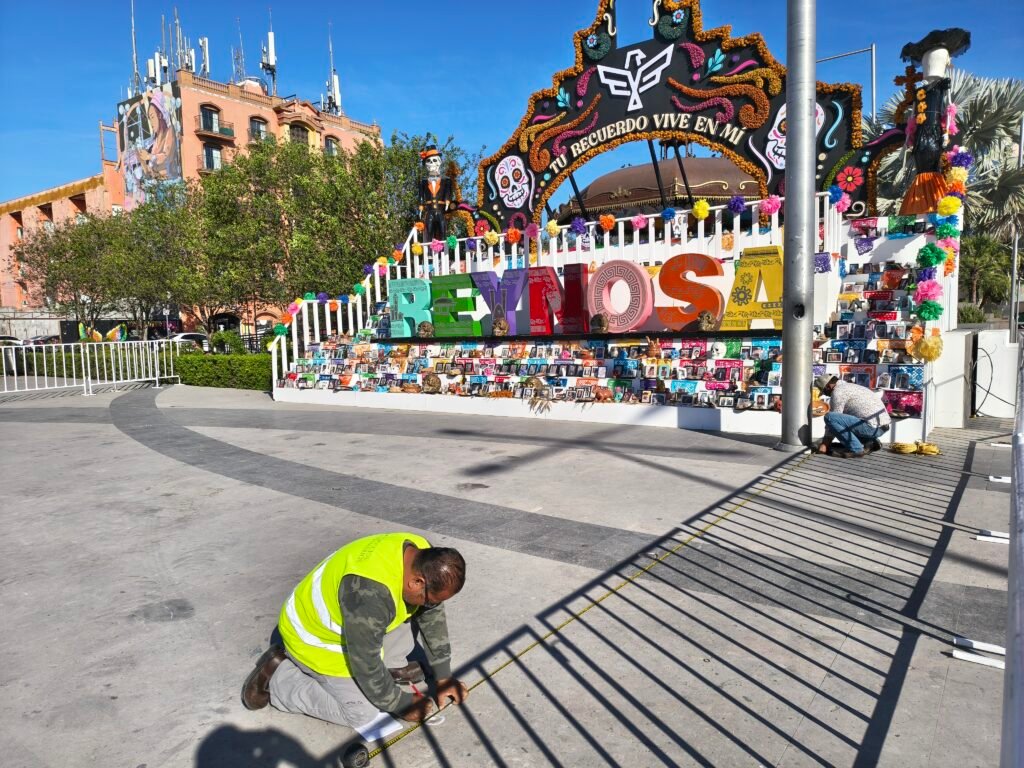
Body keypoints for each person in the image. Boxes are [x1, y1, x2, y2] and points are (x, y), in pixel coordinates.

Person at [241, 532, 468, 729]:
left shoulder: (421, 552)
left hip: (356, 619)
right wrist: (401, 704)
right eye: (430, 600)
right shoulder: (369, 594)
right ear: (417, 582)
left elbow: (432, 616)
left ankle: (388, 669)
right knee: (362, 712)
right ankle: (279, 678)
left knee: (406, 616)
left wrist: (443, 676)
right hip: (312, 637)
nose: (432, 607)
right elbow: (365, 663)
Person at [815, 374, 891, 458]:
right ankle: (869, 442)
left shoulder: (838, 392)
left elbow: (832, 421)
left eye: (824, 392)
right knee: (844, 420)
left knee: (829, 417)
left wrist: (825, 444)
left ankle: (856, 449)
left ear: (828, 387)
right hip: (882, 427)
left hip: (871, 427)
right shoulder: (850, 386)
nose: (826, 395)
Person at [418, 146, 454, 241]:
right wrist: (420, 207)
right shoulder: (423, 181)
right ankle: (430, 253)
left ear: (439, 162)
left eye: (434, 160)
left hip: (440, 210)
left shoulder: (446, 180)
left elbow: (448, 192)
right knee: (429, 230)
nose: (432, 164)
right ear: (425, 165)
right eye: (428, 161)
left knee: (442, 229)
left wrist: (447, 201)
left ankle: (442, 251)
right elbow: (421, 195)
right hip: (430, 211)